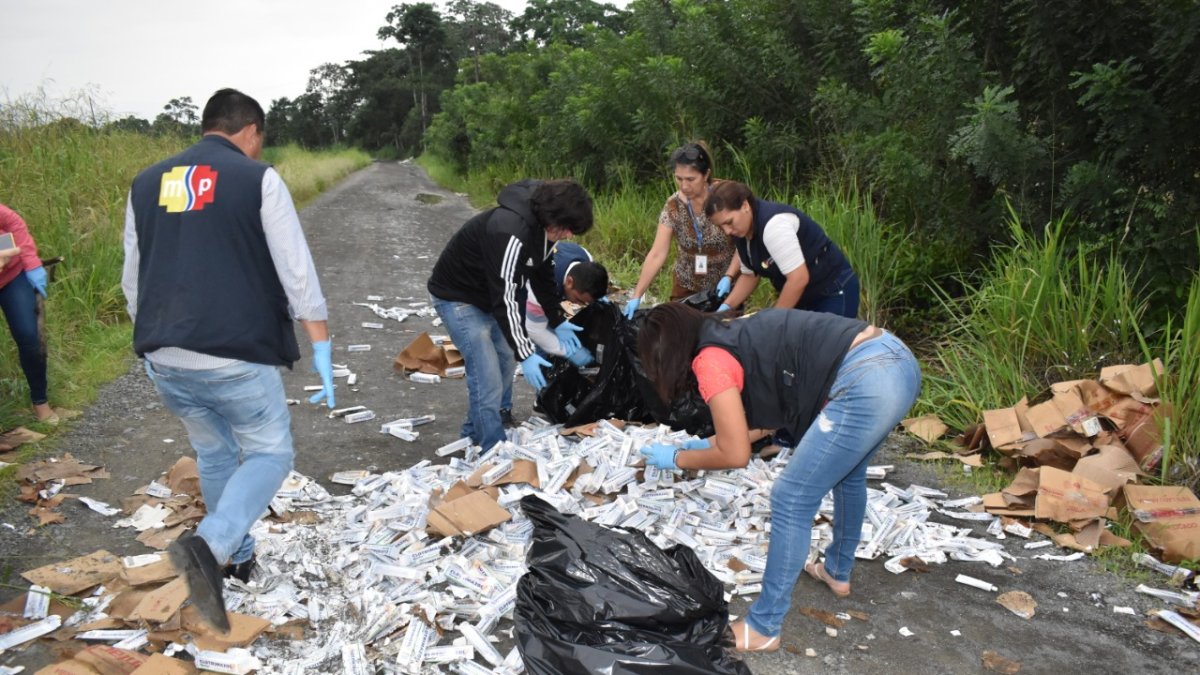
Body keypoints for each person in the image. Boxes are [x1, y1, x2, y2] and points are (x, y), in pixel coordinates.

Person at [122, 88, 335, 632]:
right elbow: (296, 267)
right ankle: (211, 546)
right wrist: (321, 342)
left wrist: (150, 342)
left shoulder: (147, 183)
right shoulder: (256, 177)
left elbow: (133, 277)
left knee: (214, 452)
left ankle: (237, 557)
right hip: (233, 354)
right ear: (251, 132)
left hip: (166, 356)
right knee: (269, 453)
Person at [636, 303, 920, 652]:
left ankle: (763, 627)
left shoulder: (709, 361)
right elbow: (766, 423)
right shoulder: (735, 334)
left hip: (865, 377)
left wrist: (679, 457)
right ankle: (836, 570)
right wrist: (706, 444)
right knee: (849, 474)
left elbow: (736, 454)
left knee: (791, 496)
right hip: (895, 360)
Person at [428, 179, 593, 451]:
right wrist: (526, 353)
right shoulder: (509, 232)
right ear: (552, 218)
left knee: (505, 362)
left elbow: (541, 274)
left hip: (489, 296)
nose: (568, 236)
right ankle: (493, 450)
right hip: (458, 297)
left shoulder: (544, 229)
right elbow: (505, 298)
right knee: (487, 375)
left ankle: (472, 433)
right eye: (566, 229)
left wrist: (557, 320)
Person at [704, 181, 859, 318]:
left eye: (729, 222)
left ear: (745, 205)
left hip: (831, 290)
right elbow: (749, 275)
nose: (727, 231)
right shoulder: (741, 233)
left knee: (827, 348)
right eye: (720, 226)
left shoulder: (774, 226)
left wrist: (774, 319)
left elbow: (798, 279)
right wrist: (724, 309)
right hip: (801, 295)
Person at [623, 142, 741, 319]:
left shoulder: (726, 196)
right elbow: (657, 253)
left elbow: (745, 242)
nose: (684, 186)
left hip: (725, 285)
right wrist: (637, 295)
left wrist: (730, 276)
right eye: (679, 178)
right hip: (686, 284)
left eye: (690, 179)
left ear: (706, 174)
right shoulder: (673, 206)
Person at [0, 203, 55, 423]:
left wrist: (31, 264)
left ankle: (40, 402)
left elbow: (13, 222)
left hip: (12, 275)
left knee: (30, 337)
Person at [524, 241, 608, 364]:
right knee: (539, 341)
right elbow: (534, 328)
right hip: (512, 282)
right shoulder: (540, 286)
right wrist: (567, 351)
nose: (579, 305)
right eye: (579, 300)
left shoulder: (585, 258)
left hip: (556, 255)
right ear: (569, 282)